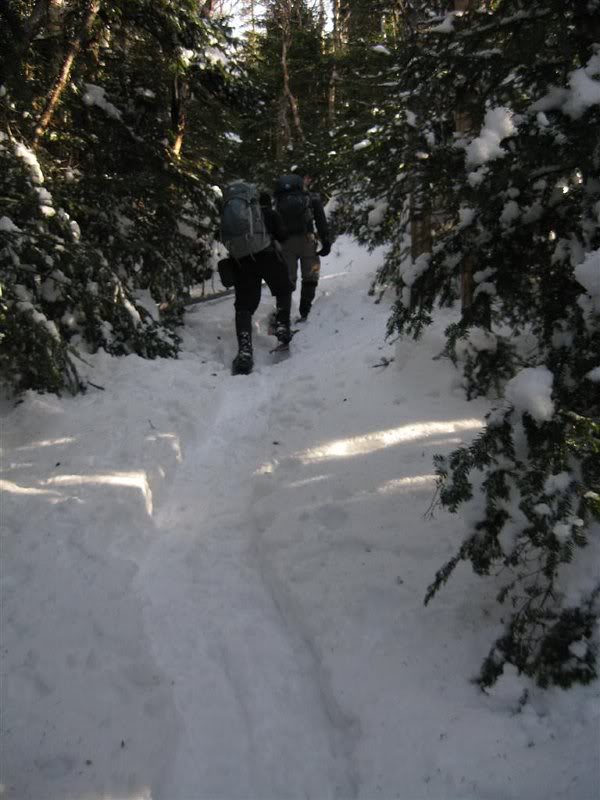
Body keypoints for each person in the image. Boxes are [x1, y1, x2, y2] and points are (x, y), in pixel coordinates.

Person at [219, 183, 292, 375]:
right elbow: (282, 236)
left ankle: (244, 350)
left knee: (244, 306)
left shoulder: (232, 213)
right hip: (268, 256)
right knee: (283, 289)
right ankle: (282, 326)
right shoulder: (266, 213)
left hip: (242, 261)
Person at [274, 167, 331, 322]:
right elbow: (320, 220)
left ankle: (283, 317)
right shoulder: (311, 198)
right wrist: (326, 240)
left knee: (287, 279)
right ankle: (305, 311)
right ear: (303, 179)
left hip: (286, 243)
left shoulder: (279, 198)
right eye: (308, 177)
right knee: (310, 276)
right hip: (307, 240)